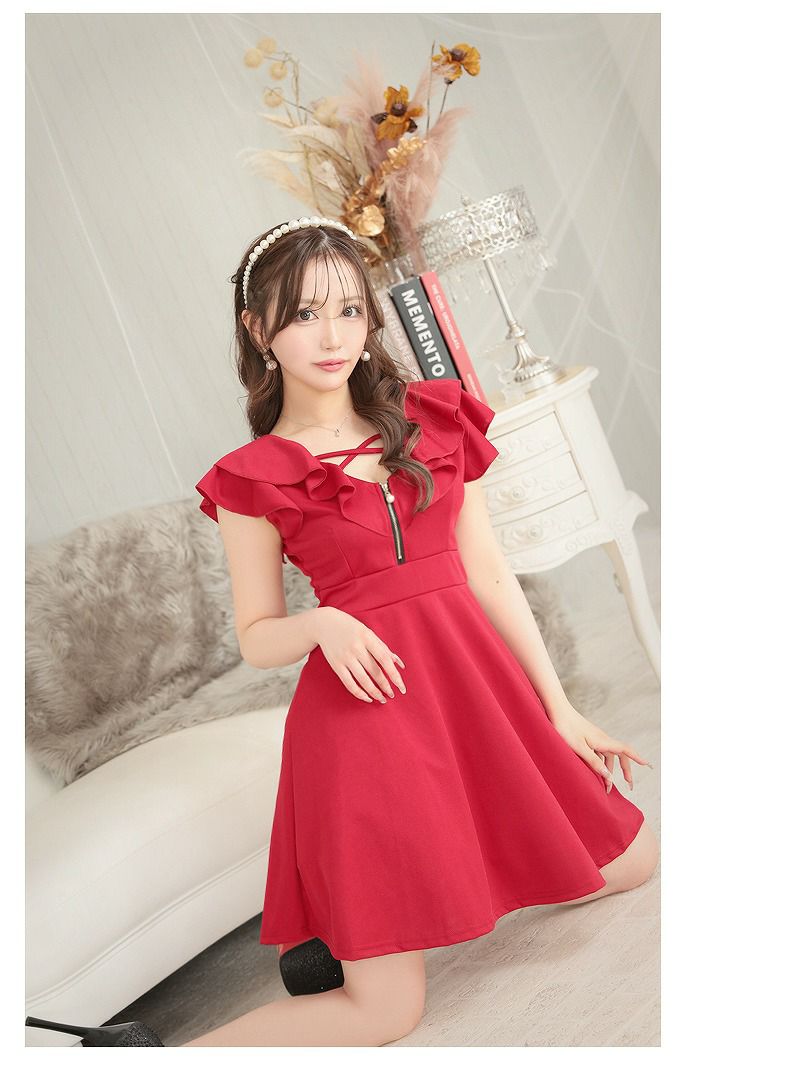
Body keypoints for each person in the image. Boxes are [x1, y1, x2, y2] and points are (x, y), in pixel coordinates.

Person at [26, 217, 658, 1048]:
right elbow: (258, 636)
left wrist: (558, 707)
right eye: (304, 314)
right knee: (387, 1011)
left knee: (632, 860)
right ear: (258, 328)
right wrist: (323, 621)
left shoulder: (434, 419)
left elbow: (490, 572)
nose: (333, 337)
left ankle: (375, 920)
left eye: (349, 310)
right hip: (367, 726)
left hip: (471, 691)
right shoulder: (252, 478)